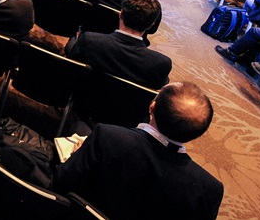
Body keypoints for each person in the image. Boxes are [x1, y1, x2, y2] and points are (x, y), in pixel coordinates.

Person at [54, 82, 223, 220]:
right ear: (200, 132)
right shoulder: (209, 190)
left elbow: (61, 180)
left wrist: (78, 154)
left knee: (79, 127)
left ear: (152, 107)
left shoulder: (108, 136)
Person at [66, 0, 170, 88]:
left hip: (82, 99)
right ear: (151, 24)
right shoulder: (160, 64)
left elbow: (70, 65)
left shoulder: (90, 41)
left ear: (120, 14)